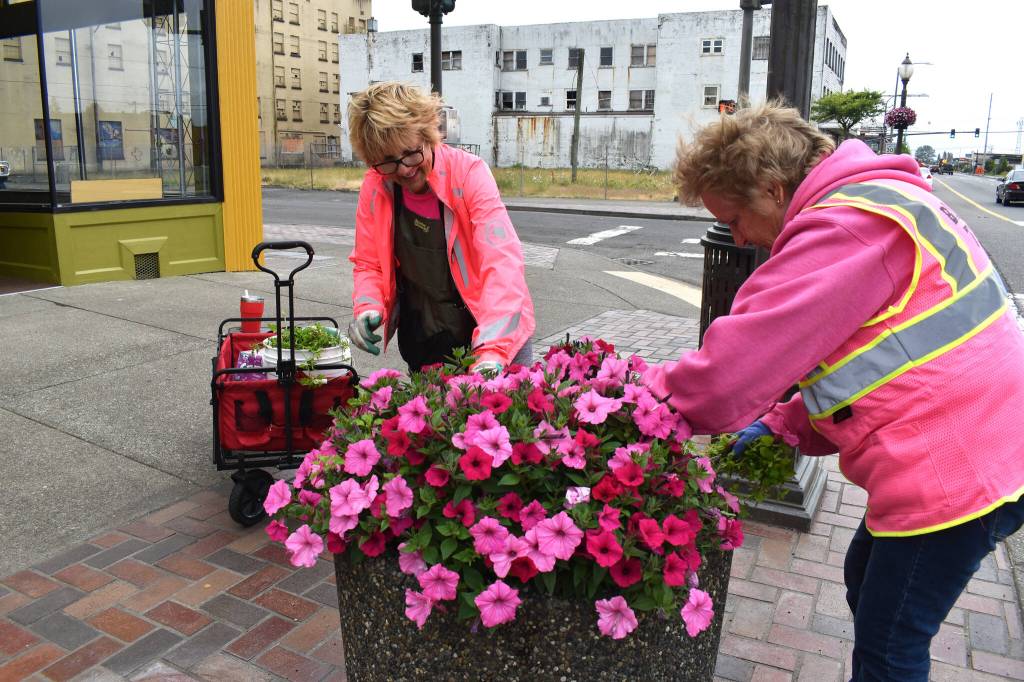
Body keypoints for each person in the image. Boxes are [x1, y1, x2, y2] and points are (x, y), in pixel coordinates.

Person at [644, 101, 1024, 681]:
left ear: (773, 189)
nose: (740, 238)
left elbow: (725, 379)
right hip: (985, 446)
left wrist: (639, 403)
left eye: (735, 220)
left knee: (890, 645)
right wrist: (784, 424)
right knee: (864, 577)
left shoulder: (846, 226)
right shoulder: (883, 204)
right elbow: (888, 367)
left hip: (957, 472)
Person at [345, 82, 535, 373]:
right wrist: (369, 306)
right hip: (428, 337)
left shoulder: (469, 174)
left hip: (496, 333)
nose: (404, 169)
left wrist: (494, 350)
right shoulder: (377, 186)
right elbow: (369, 263)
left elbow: (501, 264)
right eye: (388, 162)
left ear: (428, 134)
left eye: (411, 153)